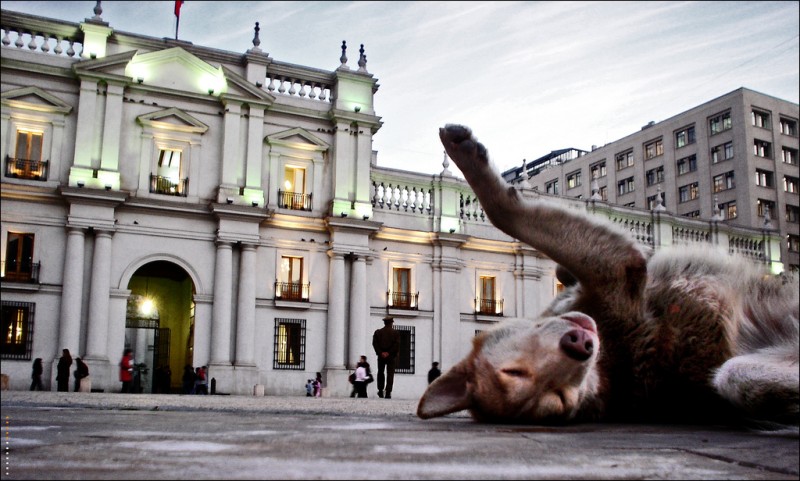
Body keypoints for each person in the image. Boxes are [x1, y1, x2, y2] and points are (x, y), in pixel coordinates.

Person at [372, 316, 400, 399]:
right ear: (391, 323)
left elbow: (375, 343)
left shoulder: (378, 332)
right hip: (391, 357)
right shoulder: (395, 333)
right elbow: (397, 345)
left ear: (384, 323)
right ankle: (388, 392)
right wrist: (389, 353)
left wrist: (381, 352)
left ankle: (380, 390)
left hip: (381, 356)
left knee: (380, 372)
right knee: (390, 374)